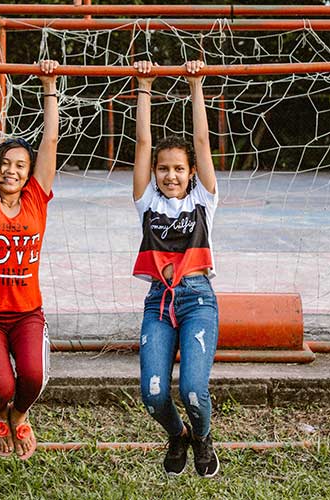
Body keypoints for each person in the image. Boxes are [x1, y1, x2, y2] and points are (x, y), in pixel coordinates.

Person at [0, 56, 59, 459]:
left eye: (20, 165)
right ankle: (1, 415)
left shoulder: (37, 197)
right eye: (4, 163)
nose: (11, 170)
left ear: (30, 171)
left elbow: (51, 141)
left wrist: (49, 86)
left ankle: (19, 417)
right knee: (1, 386)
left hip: (26, 313)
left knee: (33, 380)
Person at [132, 59, 220, 477]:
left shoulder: (203, 201)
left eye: (178, 169)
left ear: (191, 175)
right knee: (153, 393)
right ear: (155, 175)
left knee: (194, 391)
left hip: (198, 299)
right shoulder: (147, 202)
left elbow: (202, 142)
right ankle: (177, 434)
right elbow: (142, 144)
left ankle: (201, 438)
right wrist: (145, 86)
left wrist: (196, 85)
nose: (171, 175)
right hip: (158, 303)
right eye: (164, 169)